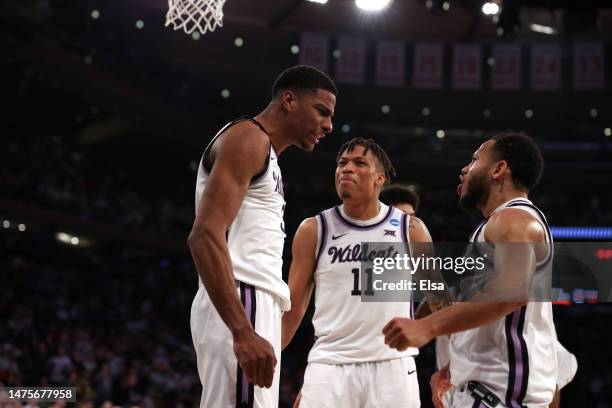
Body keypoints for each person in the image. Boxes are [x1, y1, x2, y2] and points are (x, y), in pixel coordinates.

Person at [187, 65, 337, 408]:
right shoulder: (248, 138)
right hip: (243, 300)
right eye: (322, 111)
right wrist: (242, 330)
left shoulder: (265, 153)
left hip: (253, 305)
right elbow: (204, 234)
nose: (328, 125)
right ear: (289, 100)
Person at [383, 133, 560, 407]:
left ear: (499, 169)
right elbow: (482, 317)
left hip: (499, 398)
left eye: (474, 160)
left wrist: (426, 328)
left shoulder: (515, 219)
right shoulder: (491, 229)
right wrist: (455, 369)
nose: (464, 169)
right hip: (482, 393)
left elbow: (512, 292)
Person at [282, 138, 431, 407]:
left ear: (380, 179)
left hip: (392, 366)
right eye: (342, 163)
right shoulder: (313, 229)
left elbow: (441, 298)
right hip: (328, 366)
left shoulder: (410, 229)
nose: (347, 169)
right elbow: (293, 308)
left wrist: (449, 364)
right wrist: (269, 353)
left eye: (359, 163)